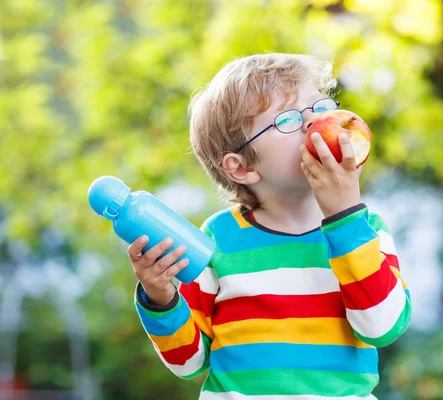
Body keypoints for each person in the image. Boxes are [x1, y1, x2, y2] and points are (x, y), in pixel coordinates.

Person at [128, 53, 411, 399]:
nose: (314, 123)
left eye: (320, 107)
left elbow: (382, 327)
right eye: (288, 120)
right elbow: (189, 362)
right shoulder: (219, 239)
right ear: (242, 167)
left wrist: (345, 217)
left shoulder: (365, 231)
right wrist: (160, 297)